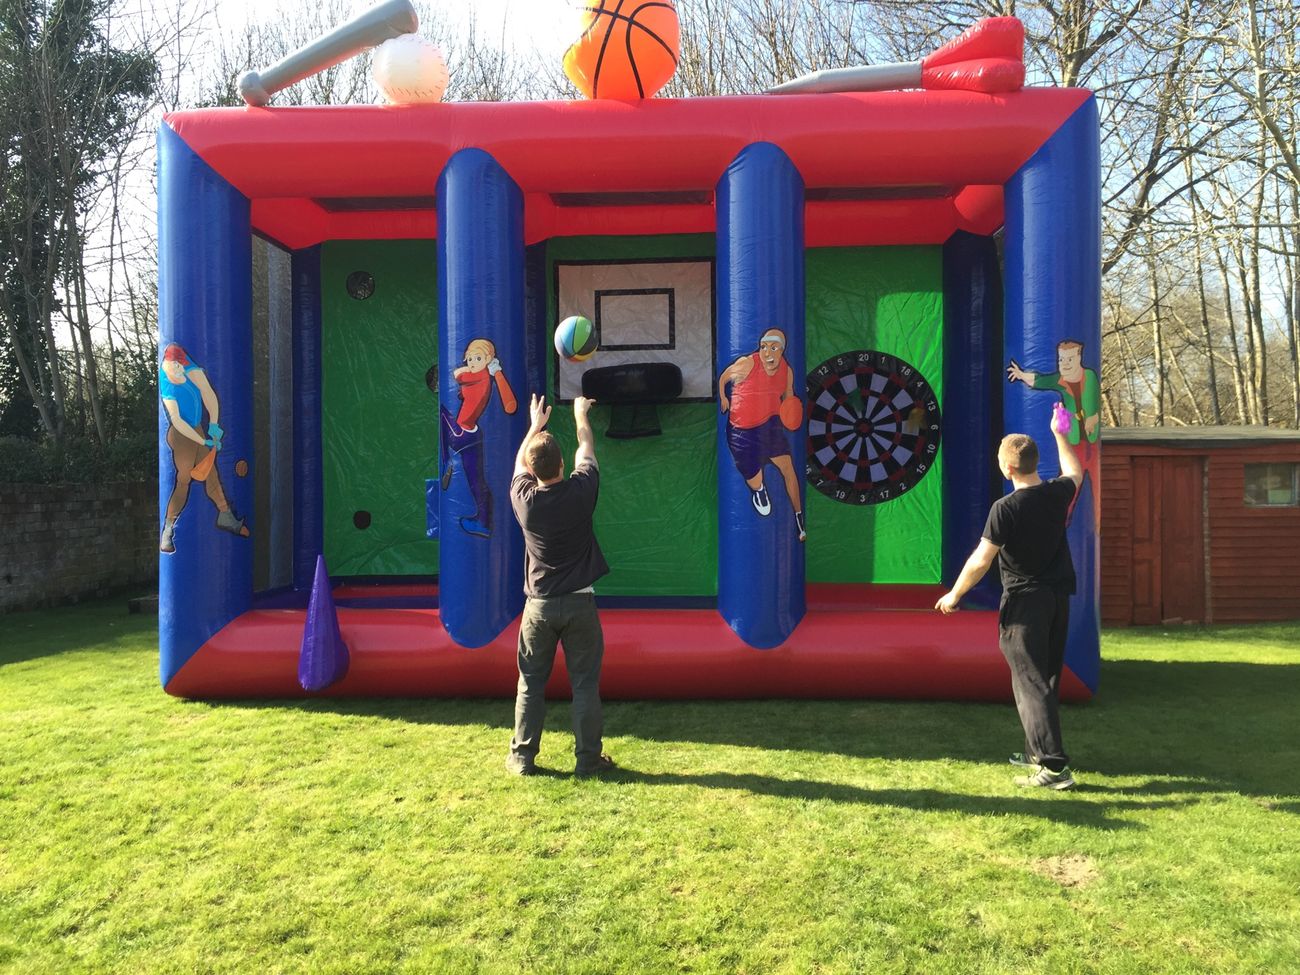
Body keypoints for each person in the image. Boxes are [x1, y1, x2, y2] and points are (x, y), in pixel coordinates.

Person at [934, 409, 1083, 790]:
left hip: (1024, 606)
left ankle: (1053, 767)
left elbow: (981, 560)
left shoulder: (1006, 508)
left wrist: (954, 594)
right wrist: (1059, 434)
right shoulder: (1056, 494)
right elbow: (1075, 472)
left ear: (1007, 468)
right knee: (1043, 678)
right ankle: (1037, 752)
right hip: (1057, 599)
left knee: (1031, 682)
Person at [506, 393, 614, 777]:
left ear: (532, 470)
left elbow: (519, 462)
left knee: (530, 684)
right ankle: (588, 761)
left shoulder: (525, 500)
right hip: (579, 604)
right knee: (584, 685)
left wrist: (534, 425)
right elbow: (587, 447)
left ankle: (522, 759)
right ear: (562, 465)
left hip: (539, 607)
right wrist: (580, 414)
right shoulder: (581, 490)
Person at [158, 343, 248, 553]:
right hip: (181, 434)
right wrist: (203, 441)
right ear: (168, 363)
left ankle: (225, 515)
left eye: (182, 366)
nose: (180, 370)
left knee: (211, 473)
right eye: (176, 367)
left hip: (197, 427)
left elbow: (207, 392)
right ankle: (168, 529)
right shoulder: (167, 384)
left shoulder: (185, 365)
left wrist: (214, 425)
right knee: (184, 479)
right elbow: (177, 420)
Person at [718, 328, 806, 541]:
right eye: (763, 347)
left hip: (769, 424)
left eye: (773, 348)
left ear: (782, 351)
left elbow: (789, 397)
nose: (767, 353)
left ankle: (799, 517)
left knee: (788, 467)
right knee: (754, 478)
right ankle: (759, 490)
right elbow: (724, 377)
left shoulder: (787, 371)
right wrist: (723, 398)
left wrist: (792, 411)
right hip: (741, 431)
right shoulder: (748, 364)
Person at [1006, 339, 1100, 530]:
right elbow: (1041, 380)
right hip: (1074, 444)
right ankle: (1058, 527)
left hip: (1092, 443)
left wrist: (1094, 418)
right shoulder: (1061, 380)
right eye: (1061, 360)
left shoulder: (1090, 376)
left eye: (1069, 359)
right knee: (1068, 490)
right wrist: (1021, 374)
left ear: (1079, 357)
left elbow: (1095, 401)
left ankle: (1095, 526)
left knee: (1093, 490)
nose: (1064, 364)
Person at [439, 338, 517, 538]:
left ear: (489, 359)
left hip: (461, 434)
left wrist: (474, 368)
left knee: (443, 414)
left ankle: (446, 460)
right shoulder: (486, 377)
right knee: (477, 480)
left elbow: (456, 374)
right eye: (470, 359)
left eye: (478, 358)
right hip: (474, 435)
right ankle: (484, 522)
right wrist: (493, 370)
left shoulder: (477, 376)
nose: (473, 363)